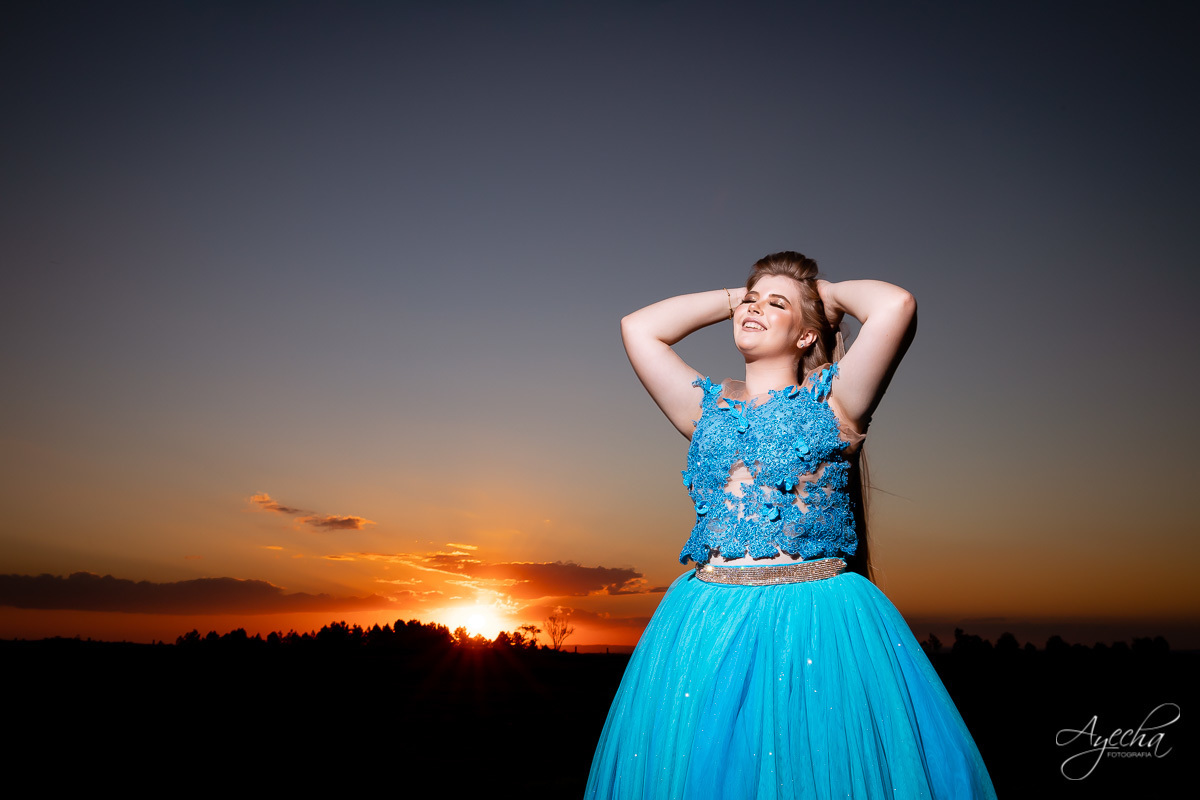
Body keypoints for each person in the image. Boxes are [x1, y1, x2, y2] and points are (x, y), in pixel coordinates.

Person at [584, 252, 997, 799]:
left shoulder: (837, 399)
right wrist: (747, 296)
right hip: (705, 618)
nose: (754, 309)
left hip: (815, 620)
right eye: (750, 302)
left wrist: (818, 293)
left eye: (775, 306)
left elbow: (895, 304)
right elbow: (639, 328)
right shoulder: (704, 408)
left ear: (806, 336)